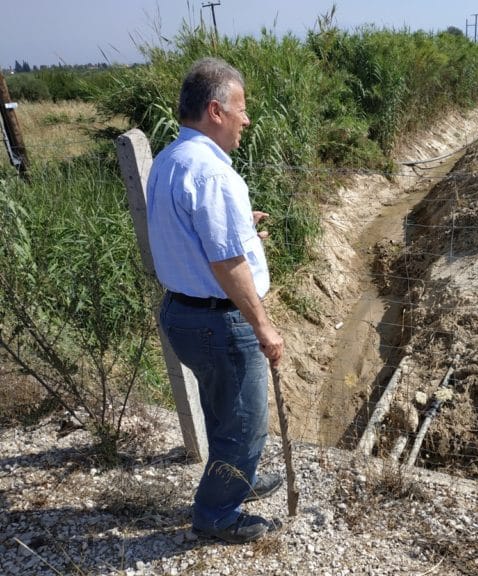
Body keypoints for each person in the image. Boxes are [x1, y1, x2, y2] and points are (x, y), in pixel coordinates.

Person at [147, 57, 285, 544]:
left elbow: (190, 234)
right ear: (216, 110)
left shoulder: (169, 160)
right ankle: (217, 514)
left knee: (222, 410)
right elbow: (227, 264)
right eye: (241, 109)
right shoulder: (213, 174)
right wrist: (263, 326)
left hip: (181, 314)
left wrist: (243, 225)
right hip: (218, 323)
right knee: (245, 426)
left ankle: (237, 478)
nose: (247, 120)